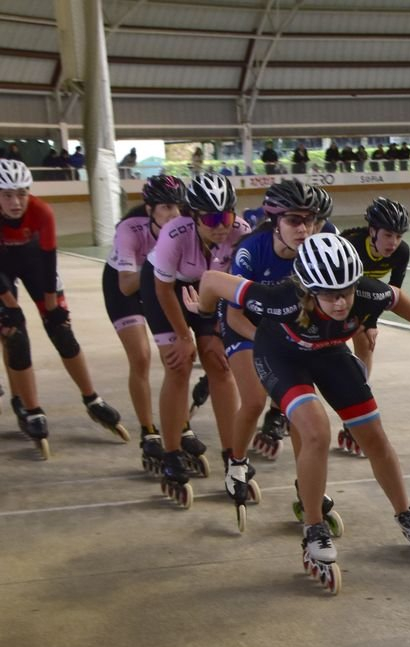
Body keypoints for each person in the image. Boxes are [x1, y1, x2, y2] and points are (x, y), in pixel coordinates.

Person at [187, 233, 410, 586]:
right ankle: (313, 528)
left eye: (346, 292)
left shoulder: (366, 292)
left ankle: (405, 514)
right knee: (316, 432)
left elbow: (397, 297)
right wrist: (204, 316)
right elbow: (211, 280)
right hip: (282, 357)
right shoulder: (280, 298)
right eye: (329, 295)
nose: (340, 303)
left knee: (374, 437)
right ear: (308, 290)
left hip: (329, 353)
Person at [139, 172, 249, 506]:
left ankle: (233, 456)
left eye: (226, 217)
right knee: (179, 365)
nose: (221, 226)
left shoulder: (240, 233)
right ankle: (171, 453)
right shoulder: (174, 234)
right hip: (168, 290)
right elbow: (163, 290)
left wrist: (217, 332)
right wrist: (184, 336)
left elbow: (235, 289)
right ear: (194, 216)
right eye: (211, 219)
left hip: (210, 292)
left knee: (220, 365)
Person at [0, 159, 126, 450]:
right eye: (7, 195)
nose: (16, 202)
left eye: (21, 194)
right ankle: (30, 407)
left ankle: (92, 398)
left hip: (35, 262)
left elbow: (48, 261)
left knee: (62, 331)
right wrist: (11, 308)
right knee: (15, 335)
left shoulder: (42, 211)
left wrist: (52, 308)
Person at [223, 180, 320, 480]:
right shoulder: (250, 251)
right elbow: (234, 316)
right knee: (254, 401)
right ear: (275, 222)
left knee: (302, 410)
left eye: (309, 220)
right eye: (293, 220)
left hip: (280, 322)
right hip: (244, 322)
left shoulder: (313, 251)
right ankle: (236, 464)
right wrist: (267, 342)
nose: (303, 229)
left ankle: (307, 484)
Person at [103, 175, 188, 469]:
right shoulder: (130, 229)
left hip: (159, 284)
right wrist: (158, 261)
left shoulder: (184, 226)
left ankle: (181, 424)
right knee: (140, 356)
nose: (175, 214)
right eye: (166, 207)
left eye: (178, 206)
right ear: (150, 209)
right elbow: (126, 286)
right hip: (126, 286)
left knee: (176, 361)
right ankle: (148, 431)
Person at [339, 197, 410, 383]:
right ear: (372, 231)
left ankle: (361, 388)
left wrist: (371, 323)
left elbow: (391, 293)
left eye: (399, 236)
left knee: (365, 341)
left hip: (363, 294)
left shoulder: (402, 252)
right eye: (388, 235)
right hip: (335, 296)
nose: (393, 243)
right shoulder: (351, 248)